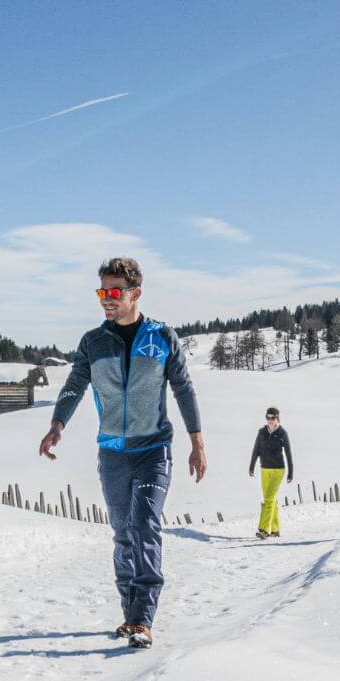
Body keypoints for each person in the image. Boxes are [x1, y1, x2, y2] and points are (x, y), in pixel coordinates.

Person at [38, 256, 204, 648]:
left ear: (135, 293)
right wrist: (57, 425)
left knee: (145, 523)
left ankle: (143, 617)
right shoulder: (94, 342)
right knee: (122, 533)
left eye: (114, 292)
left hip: (154, 448)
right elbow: (75, 385)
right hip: (112, 451)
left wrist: (198, 442)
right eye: (102, 292)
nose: (106, 300)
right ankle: (129, 612)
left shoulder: (161, 337)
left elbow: (183, 389)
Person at [249, 406, 293, 539]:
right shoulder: (262, 432)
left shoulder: (282, 433)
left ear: (277, 418)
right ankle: (275, 529)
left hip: (278, 470)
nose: (270, 420)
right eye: (268, 417)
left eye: (272, 418)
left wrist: (291, 472)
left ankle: (263, 529)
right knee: (270, 499)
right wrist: (251, 466)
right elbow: (256, 449)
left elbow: (288, 453)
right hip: (264, 469)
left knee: (268, 498)